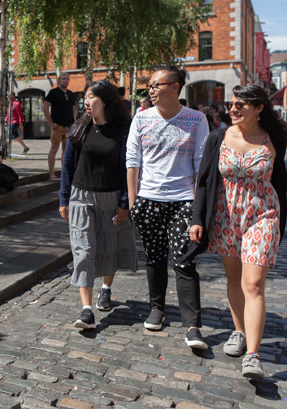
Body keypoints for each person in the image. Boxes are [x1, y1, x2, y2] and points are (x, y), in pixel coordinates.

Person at [189, 84, 287, 379]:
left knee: (254, 284)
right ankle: (239, 331)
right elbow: (205, 182)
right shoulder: (218, 137)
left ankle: (253, 356)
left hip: (263, 215)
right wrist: (198, 219)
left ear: (259, 108)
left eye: (241, 104)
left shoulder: (274, 139)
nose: (233, 109)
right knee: (234, 279)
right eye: (232, 104)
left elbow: (281, 181)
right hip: (227, 216)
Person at [126, 66, 210, 349]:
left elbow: (201, 167)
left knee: (185, 261)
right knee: (154, 257)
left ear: (174, 87)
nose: (150, 89)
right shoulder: (141, 118)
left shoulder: (196, 119)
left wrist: (199, 210)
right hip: (148, 200)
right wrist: (134, 201)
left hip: (183, 201)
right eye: (149, 85)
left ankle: (193, 326)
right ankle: (157, 308)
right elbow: (132, 160)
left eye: (156, 84)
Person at [59, 81, 137, 330]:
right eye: (85, 96)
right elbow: (67, 167)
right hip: (81, 197)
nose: (86, 101)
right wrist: (63, 199)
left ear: (106, 100)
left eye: (91, 96)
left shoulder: (124, 129)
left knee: (108, 247)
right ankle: (86, 310)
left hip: (111, 198)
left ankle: (106, 288)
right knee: (84, 250)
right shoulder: (78, 128)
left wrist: (125, 202)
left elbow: (130, 169)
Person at [43, 73, 77, 181]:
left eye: (67, 79)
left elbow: (73, 109)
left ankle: (64, 173)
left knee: (66, 150)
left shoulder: (71, 94)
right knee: (54, 149)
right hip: (57, 126)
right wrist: (51, 123)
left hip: (69, 126)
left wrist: (74, 123)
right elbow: (45, 107)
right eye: (63, 79)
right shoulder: (53, 93)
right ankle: (52, 174)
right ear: (59, 80)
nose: (65, 81)